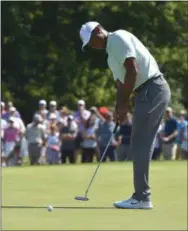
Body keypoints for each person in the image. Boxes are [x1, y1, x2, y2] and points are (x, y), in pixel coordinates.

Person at [80, 22, 171, 209]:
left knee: (140, 143)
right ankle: (141, 196)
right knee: (139, 143)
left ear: (98, 31)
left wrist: (123, 104)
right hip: (145, 93)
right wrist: (118, 107)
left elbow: (132, 70)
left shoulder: (118, 38)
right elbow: (121, 85)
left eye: (91, 41)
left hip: (152, 89)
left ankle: (142, 197)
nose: (91, 46)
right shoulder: (110, 57)